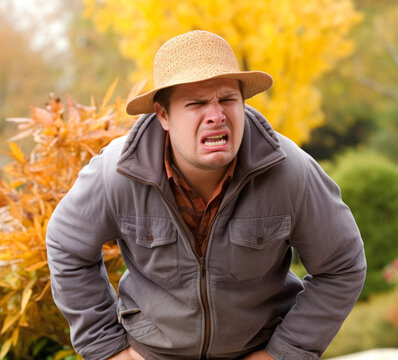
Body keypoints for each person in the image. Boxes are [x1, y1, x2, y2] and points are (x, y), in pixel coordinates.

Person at [46, 30, 366, 360]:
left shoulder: (291, 171)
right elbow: (65, 244)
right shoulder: (115, 173)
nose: (216, 115)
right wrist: (108, 351)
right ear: (163, 115)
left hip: (257, 350)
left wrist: (283, 353)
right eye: (196, 104)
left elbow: (342, 266)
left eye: (227, 100)